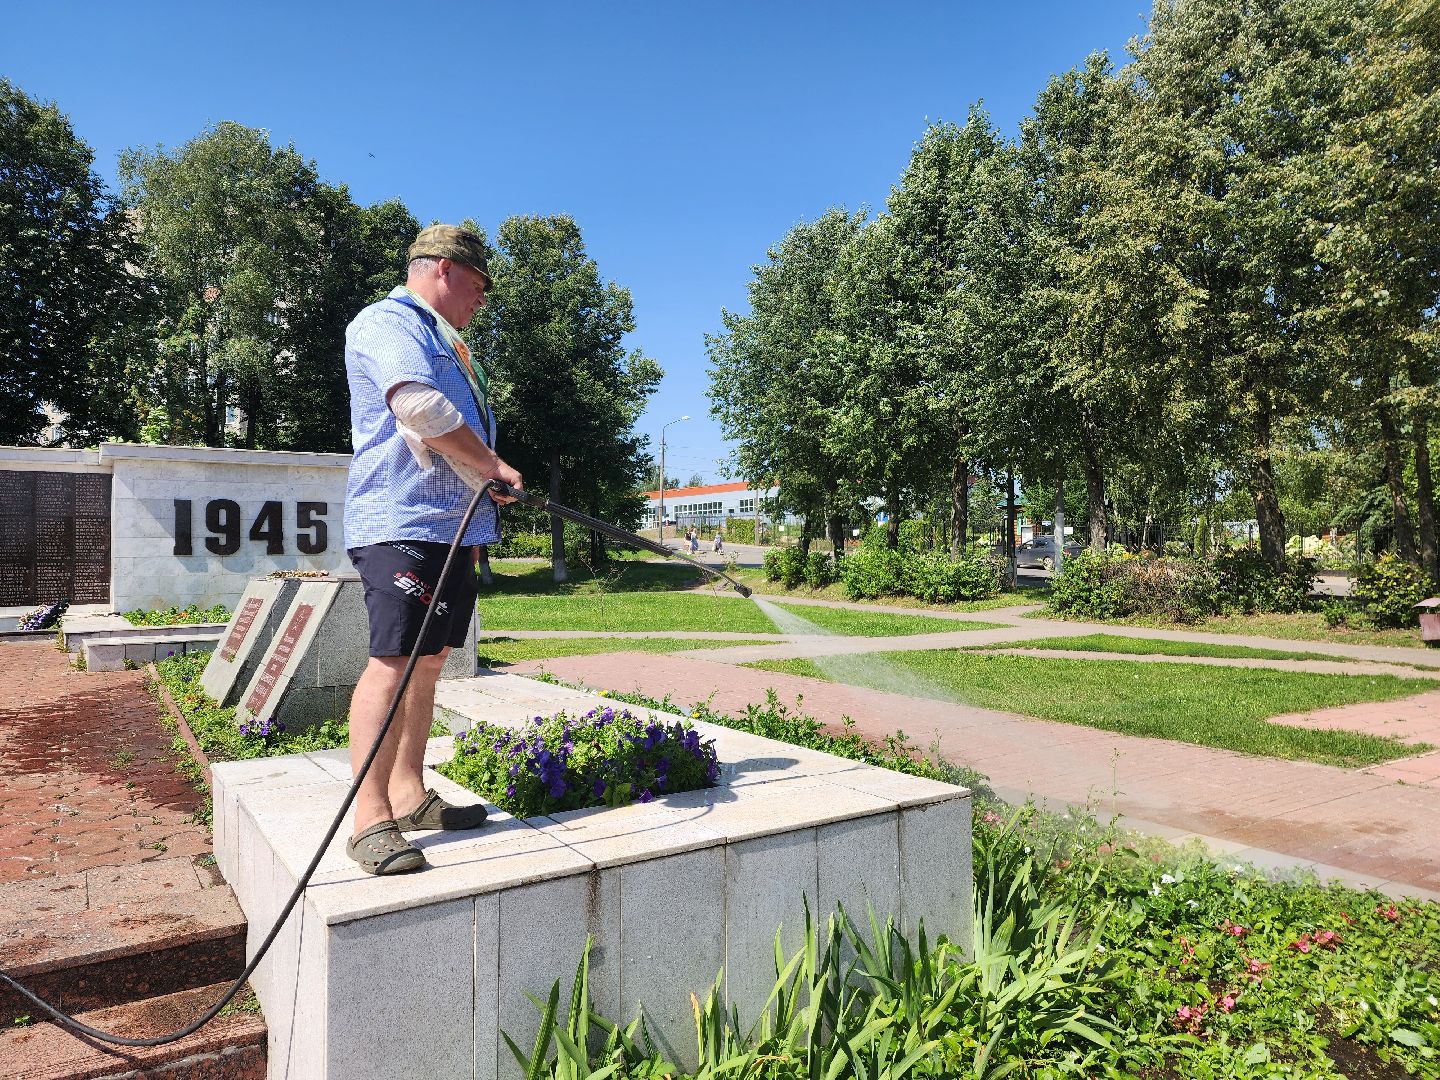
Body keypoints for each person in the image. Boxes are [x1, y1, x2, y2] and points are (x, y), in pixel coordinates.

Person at [342, 224, 523, 876]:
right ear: (444, 269)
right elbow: (416, 405)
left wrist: (484, 481)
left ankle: (410, 794)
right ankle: (370, 821)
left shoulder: (445, 339)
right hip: (403, 525)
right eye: (477, 286)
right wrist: (493, 467)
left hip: (454, 530)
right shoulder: (389, 323)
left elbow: (447, 428)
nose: (480, 300)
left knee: (429, 660)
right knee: (393, 660)